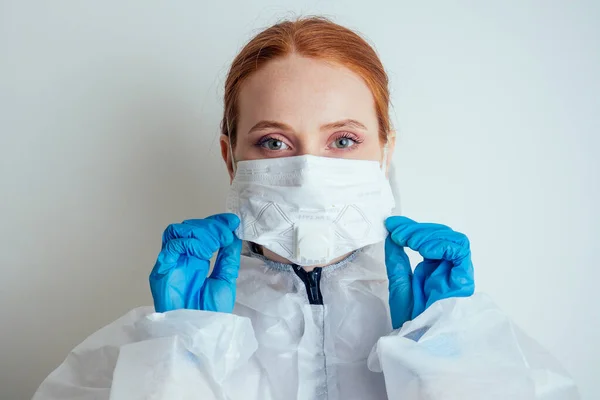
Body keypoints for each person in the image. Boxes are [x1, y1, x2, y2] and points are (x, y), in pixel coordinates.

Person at [33, 17, 578, 400]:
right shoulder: (154, 343)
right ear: (230, 157)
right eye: (274, 142)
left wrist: (447, 355)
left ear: (386, 151)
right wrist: (183, 351)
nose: (310, 170)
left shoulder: (462, 335)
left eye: (343, 140)